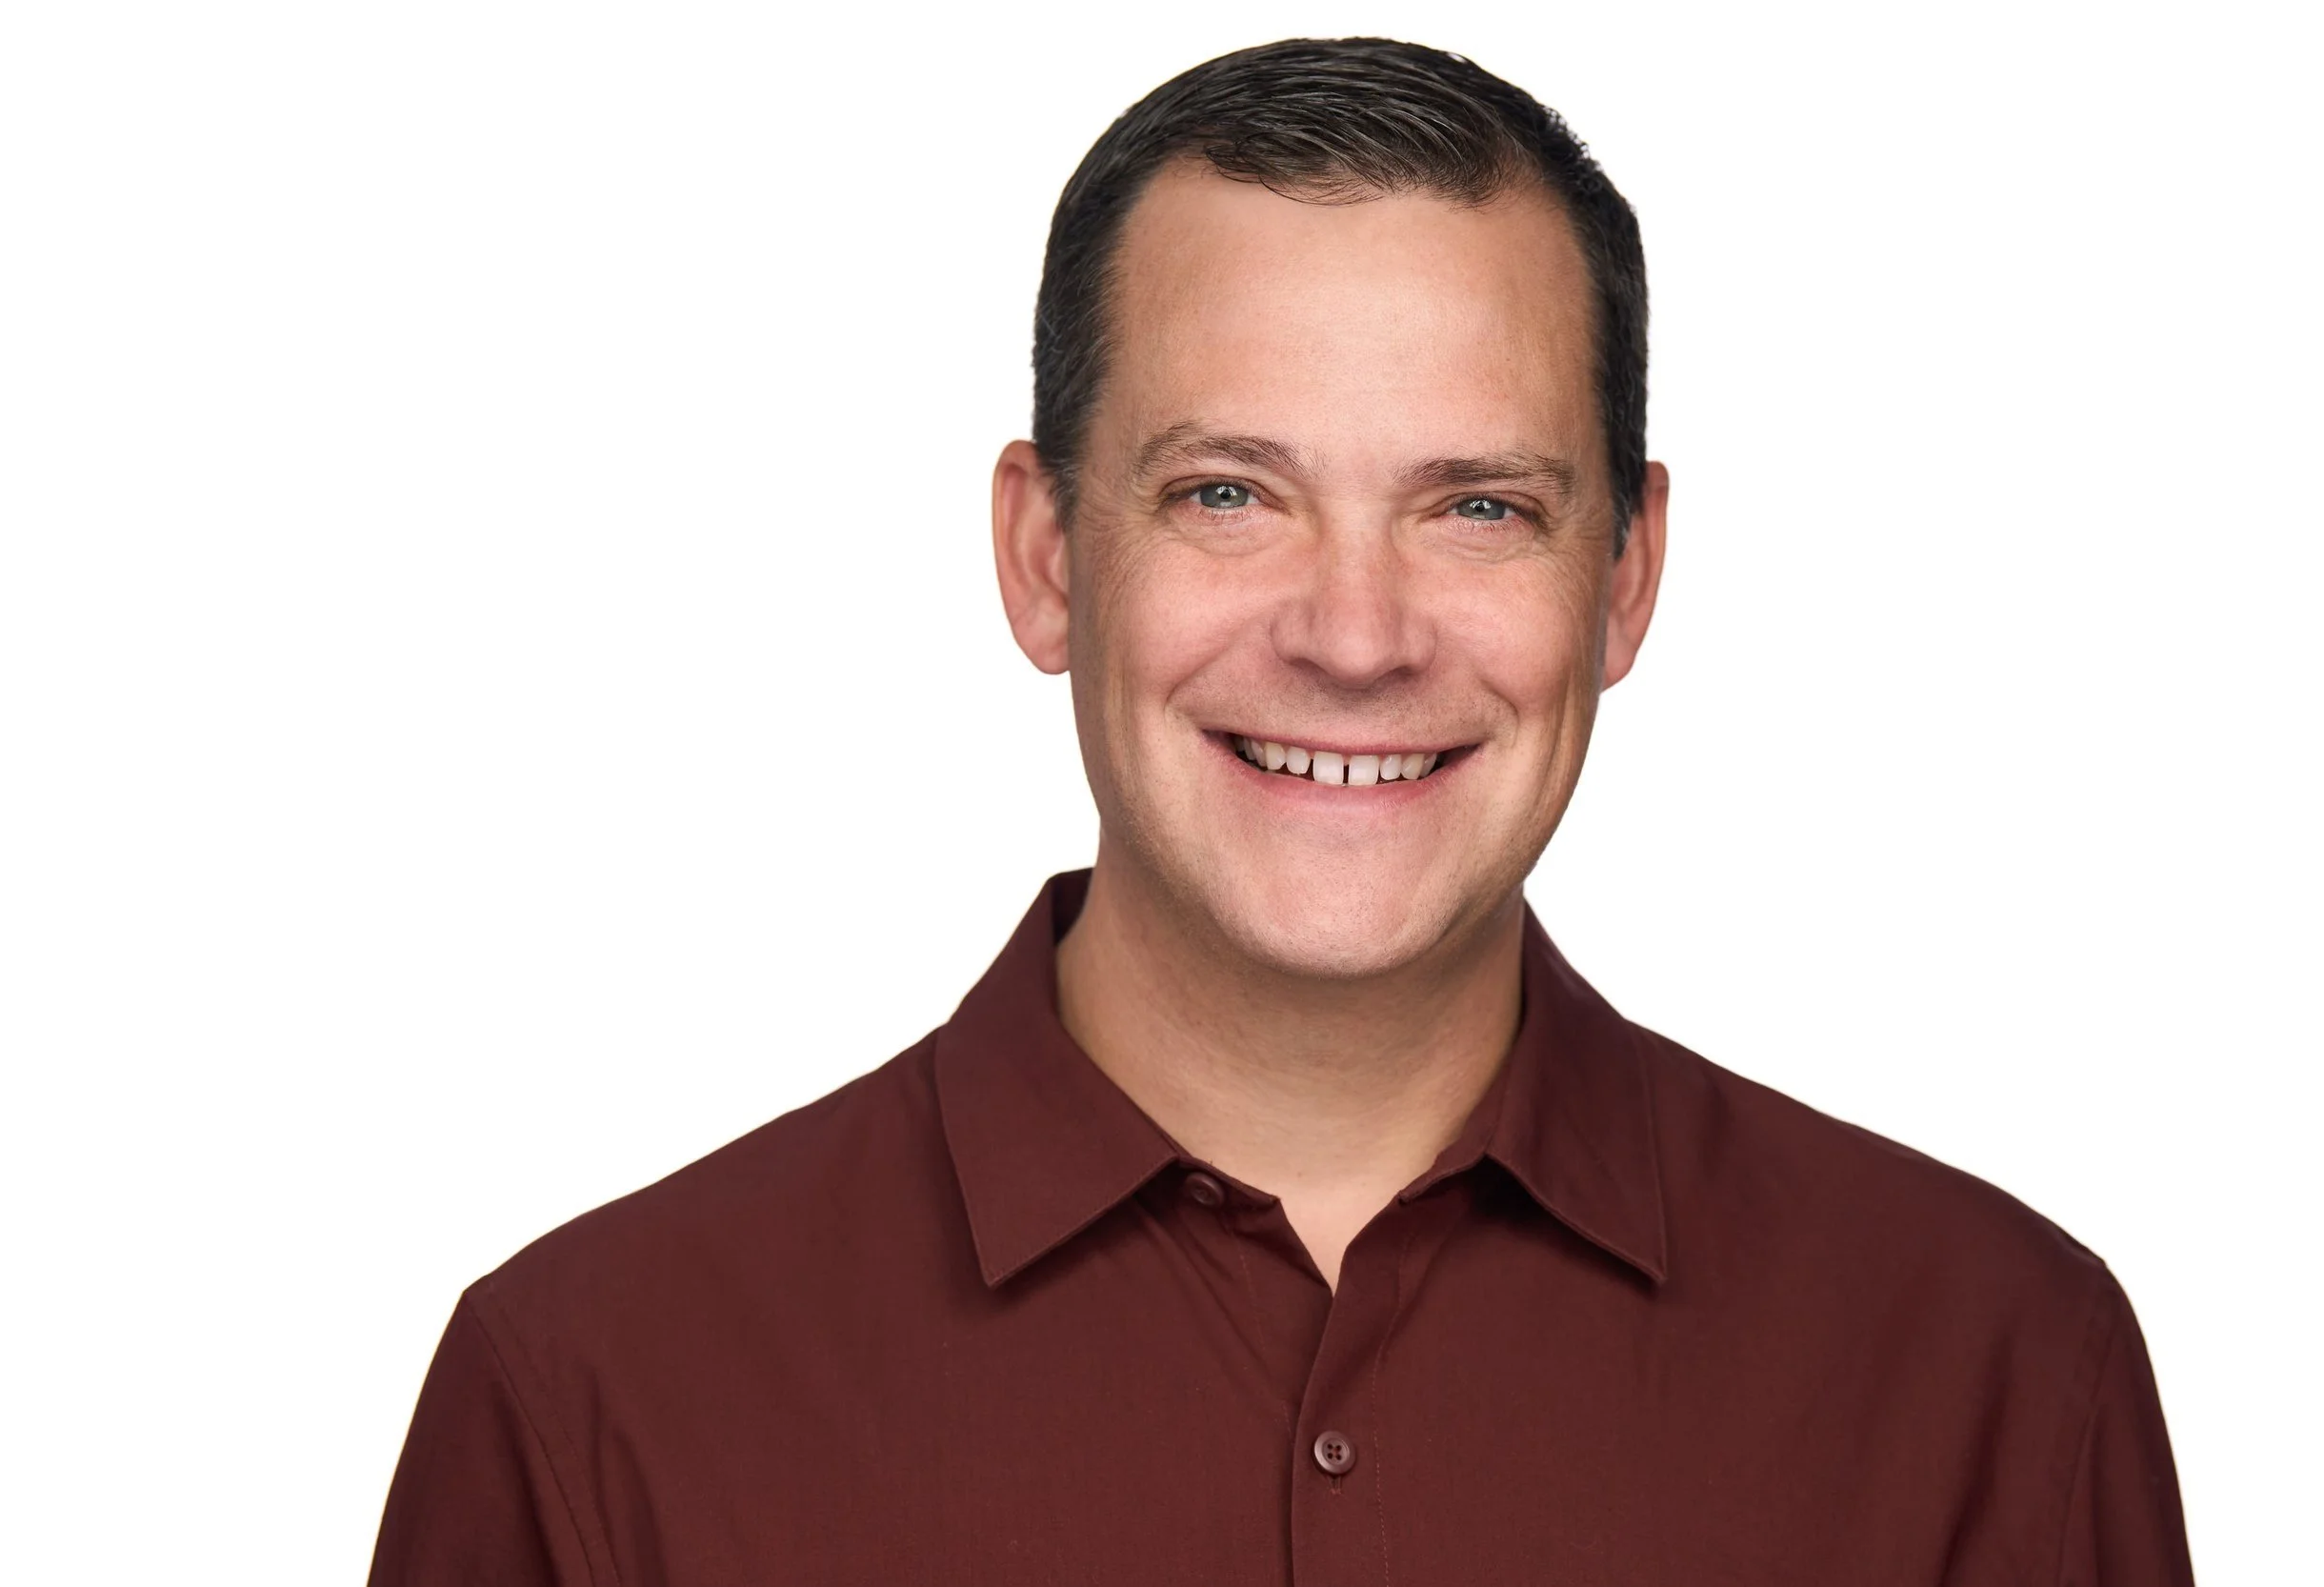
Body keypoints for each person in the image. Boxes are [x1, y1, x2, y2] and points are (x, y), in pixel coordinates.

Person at [369, 36, 2193, 1584]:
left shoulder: (1996, 1380)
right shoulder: (597, 1405)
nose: (1355, 635)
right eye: (1232, 492)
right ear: (1044, 556)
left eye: (1477, 505)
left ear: (1625, 576)